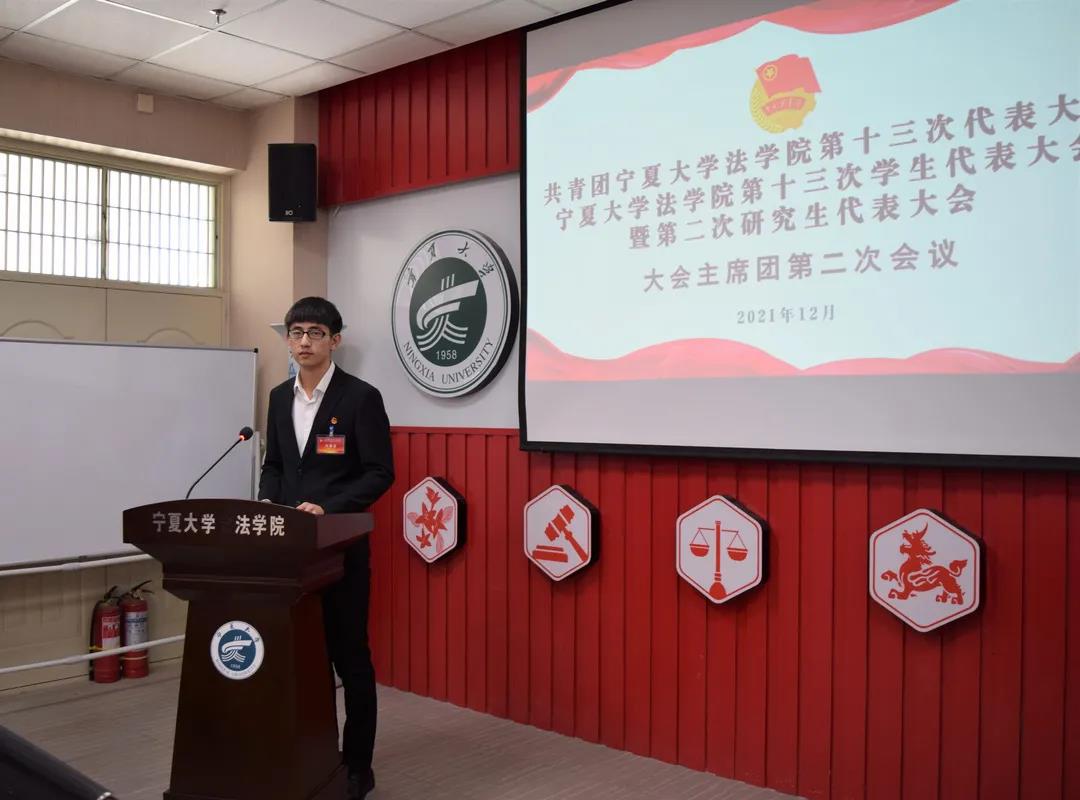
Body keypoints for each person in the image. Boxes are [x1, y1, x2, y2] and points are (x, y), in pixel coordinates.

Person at [258, 296, 394, 799]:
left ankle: (358, 766)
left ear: (334, 340)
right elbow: (275, 465)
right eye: (296, 333)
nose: (304, 342)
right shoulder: (279, 397)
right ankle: (307, 754)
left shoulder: (360, 398)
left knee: (349, 658)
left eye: (315, 333)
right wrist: (268, 501)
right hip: (290, 552)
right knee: (297, 659)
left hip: (340, 549)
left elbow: (379, 472)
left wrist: (327, 507)